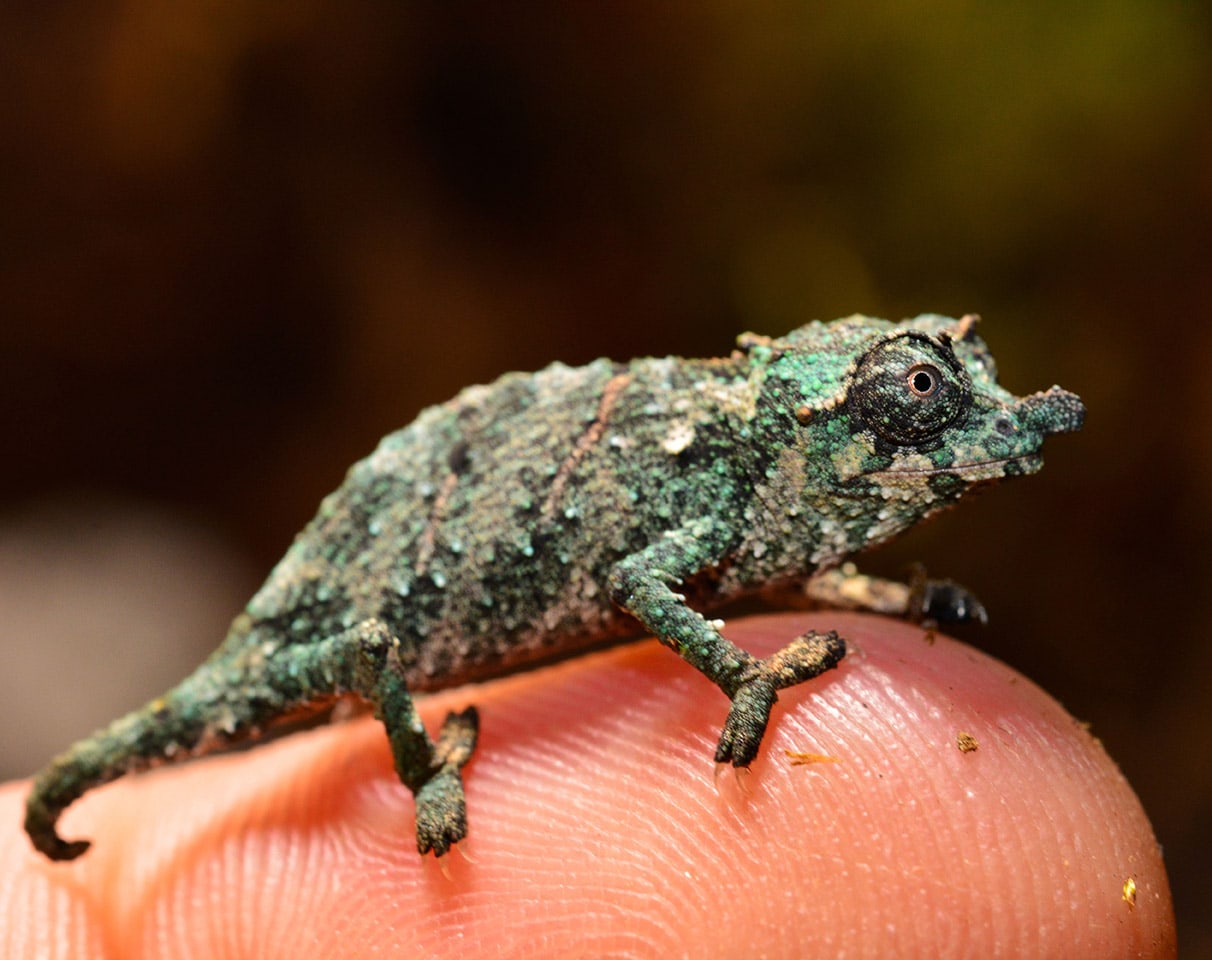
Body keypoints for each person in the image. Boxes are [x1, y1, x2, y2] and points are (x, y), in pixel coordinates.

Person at [0, 613, 1175, 958]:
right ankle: (424, 772)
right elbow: (646, 578)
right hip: (364, 625)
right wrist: (740, 678)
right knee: (366, 657)